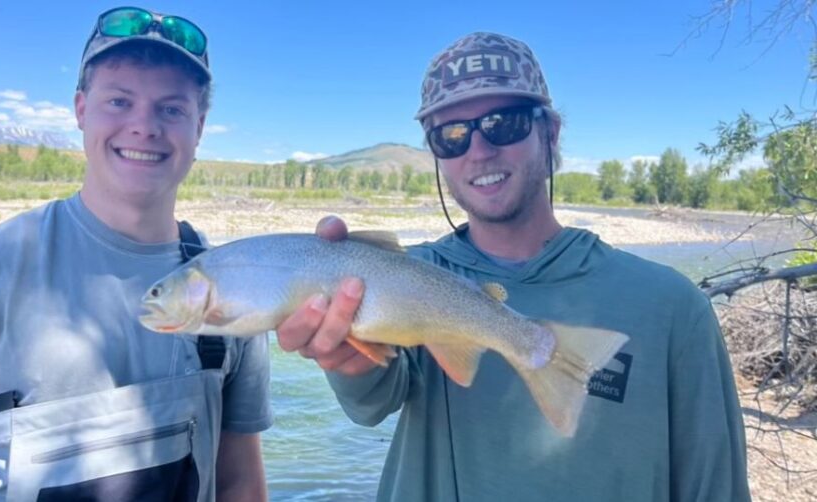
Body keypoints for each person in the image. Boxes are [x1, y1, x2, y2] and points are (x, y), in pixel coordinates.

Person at [276, 32, 751, 501]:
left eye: (503, 123)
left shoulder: (671, 308)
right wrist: (347, 358)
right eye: (452, 135)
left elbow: (715, 484)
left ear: (550, 132)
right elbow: (373, 401)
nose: (479, 151)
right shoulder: (404, 276)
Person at [0, 7, 272, 502]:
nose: (144, 126)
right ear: (81, 109)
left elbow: (241, 485)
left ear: (200, 127)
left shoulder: (230, 289)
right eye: (120, 101)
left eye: (171, 109)